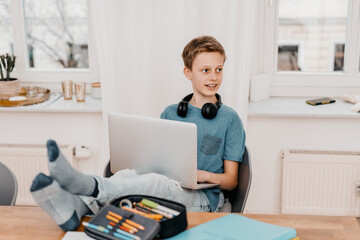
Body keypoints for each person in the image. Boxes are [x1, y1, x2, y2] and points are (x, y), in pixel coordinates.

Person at [30, 35, 246, 231]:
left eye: (219, 69)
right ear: (188, 73)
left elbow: (231, 181)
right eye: (205, 70)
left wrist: (204, 175)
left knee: (157, 183)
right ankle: (76, 206)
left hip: (205, 199)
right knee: (128, 174)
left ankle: (87, 185)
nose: (214, 77)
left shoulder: (230, 119)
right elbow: (159, 161)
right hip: (171, 185)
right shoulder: (171, 113)